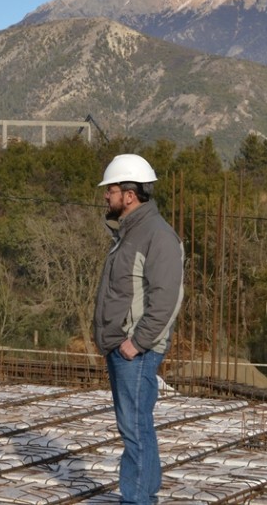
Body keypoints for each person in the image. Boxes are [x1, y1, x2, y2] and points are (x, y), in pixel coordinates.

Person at [94, 154, 184, 505]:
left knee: (133, 431)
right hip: (122, 345)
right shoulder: (130, 232)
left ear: (129, 195)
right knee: (138, 427)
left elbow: (167, 299)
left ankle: (135, 499)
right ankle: (145, 494)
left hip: (136, 350)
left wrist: (137, 342)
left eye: (111, 189)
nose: (106, 196)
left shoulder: (157, 235)